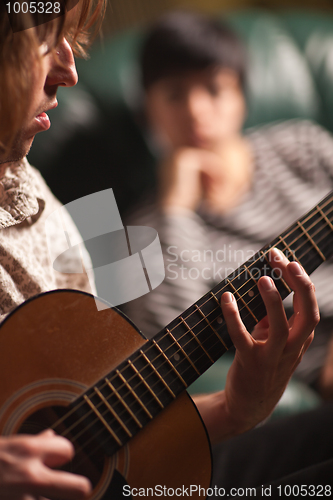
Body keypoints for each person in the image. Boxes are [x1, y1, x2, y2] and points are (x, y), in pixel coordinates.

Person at [0, 4, 327, 499]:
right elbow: (158, 327)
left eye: (215, 89)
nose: (70, 73)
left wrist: (236, 409)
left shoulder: (38, 188)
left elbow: (103, 416)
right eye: (43, 47)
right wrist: (175, 207)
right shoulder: (119, 222)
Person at [123, 10, 333, 398]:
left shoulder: (302, 146)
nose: (196, 110)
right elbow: (168, 348)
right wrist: (176, 210)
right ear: (147, 110)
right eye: (174, 93)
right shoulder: (143, 228)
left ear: (241, 97)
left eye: (215, 89)